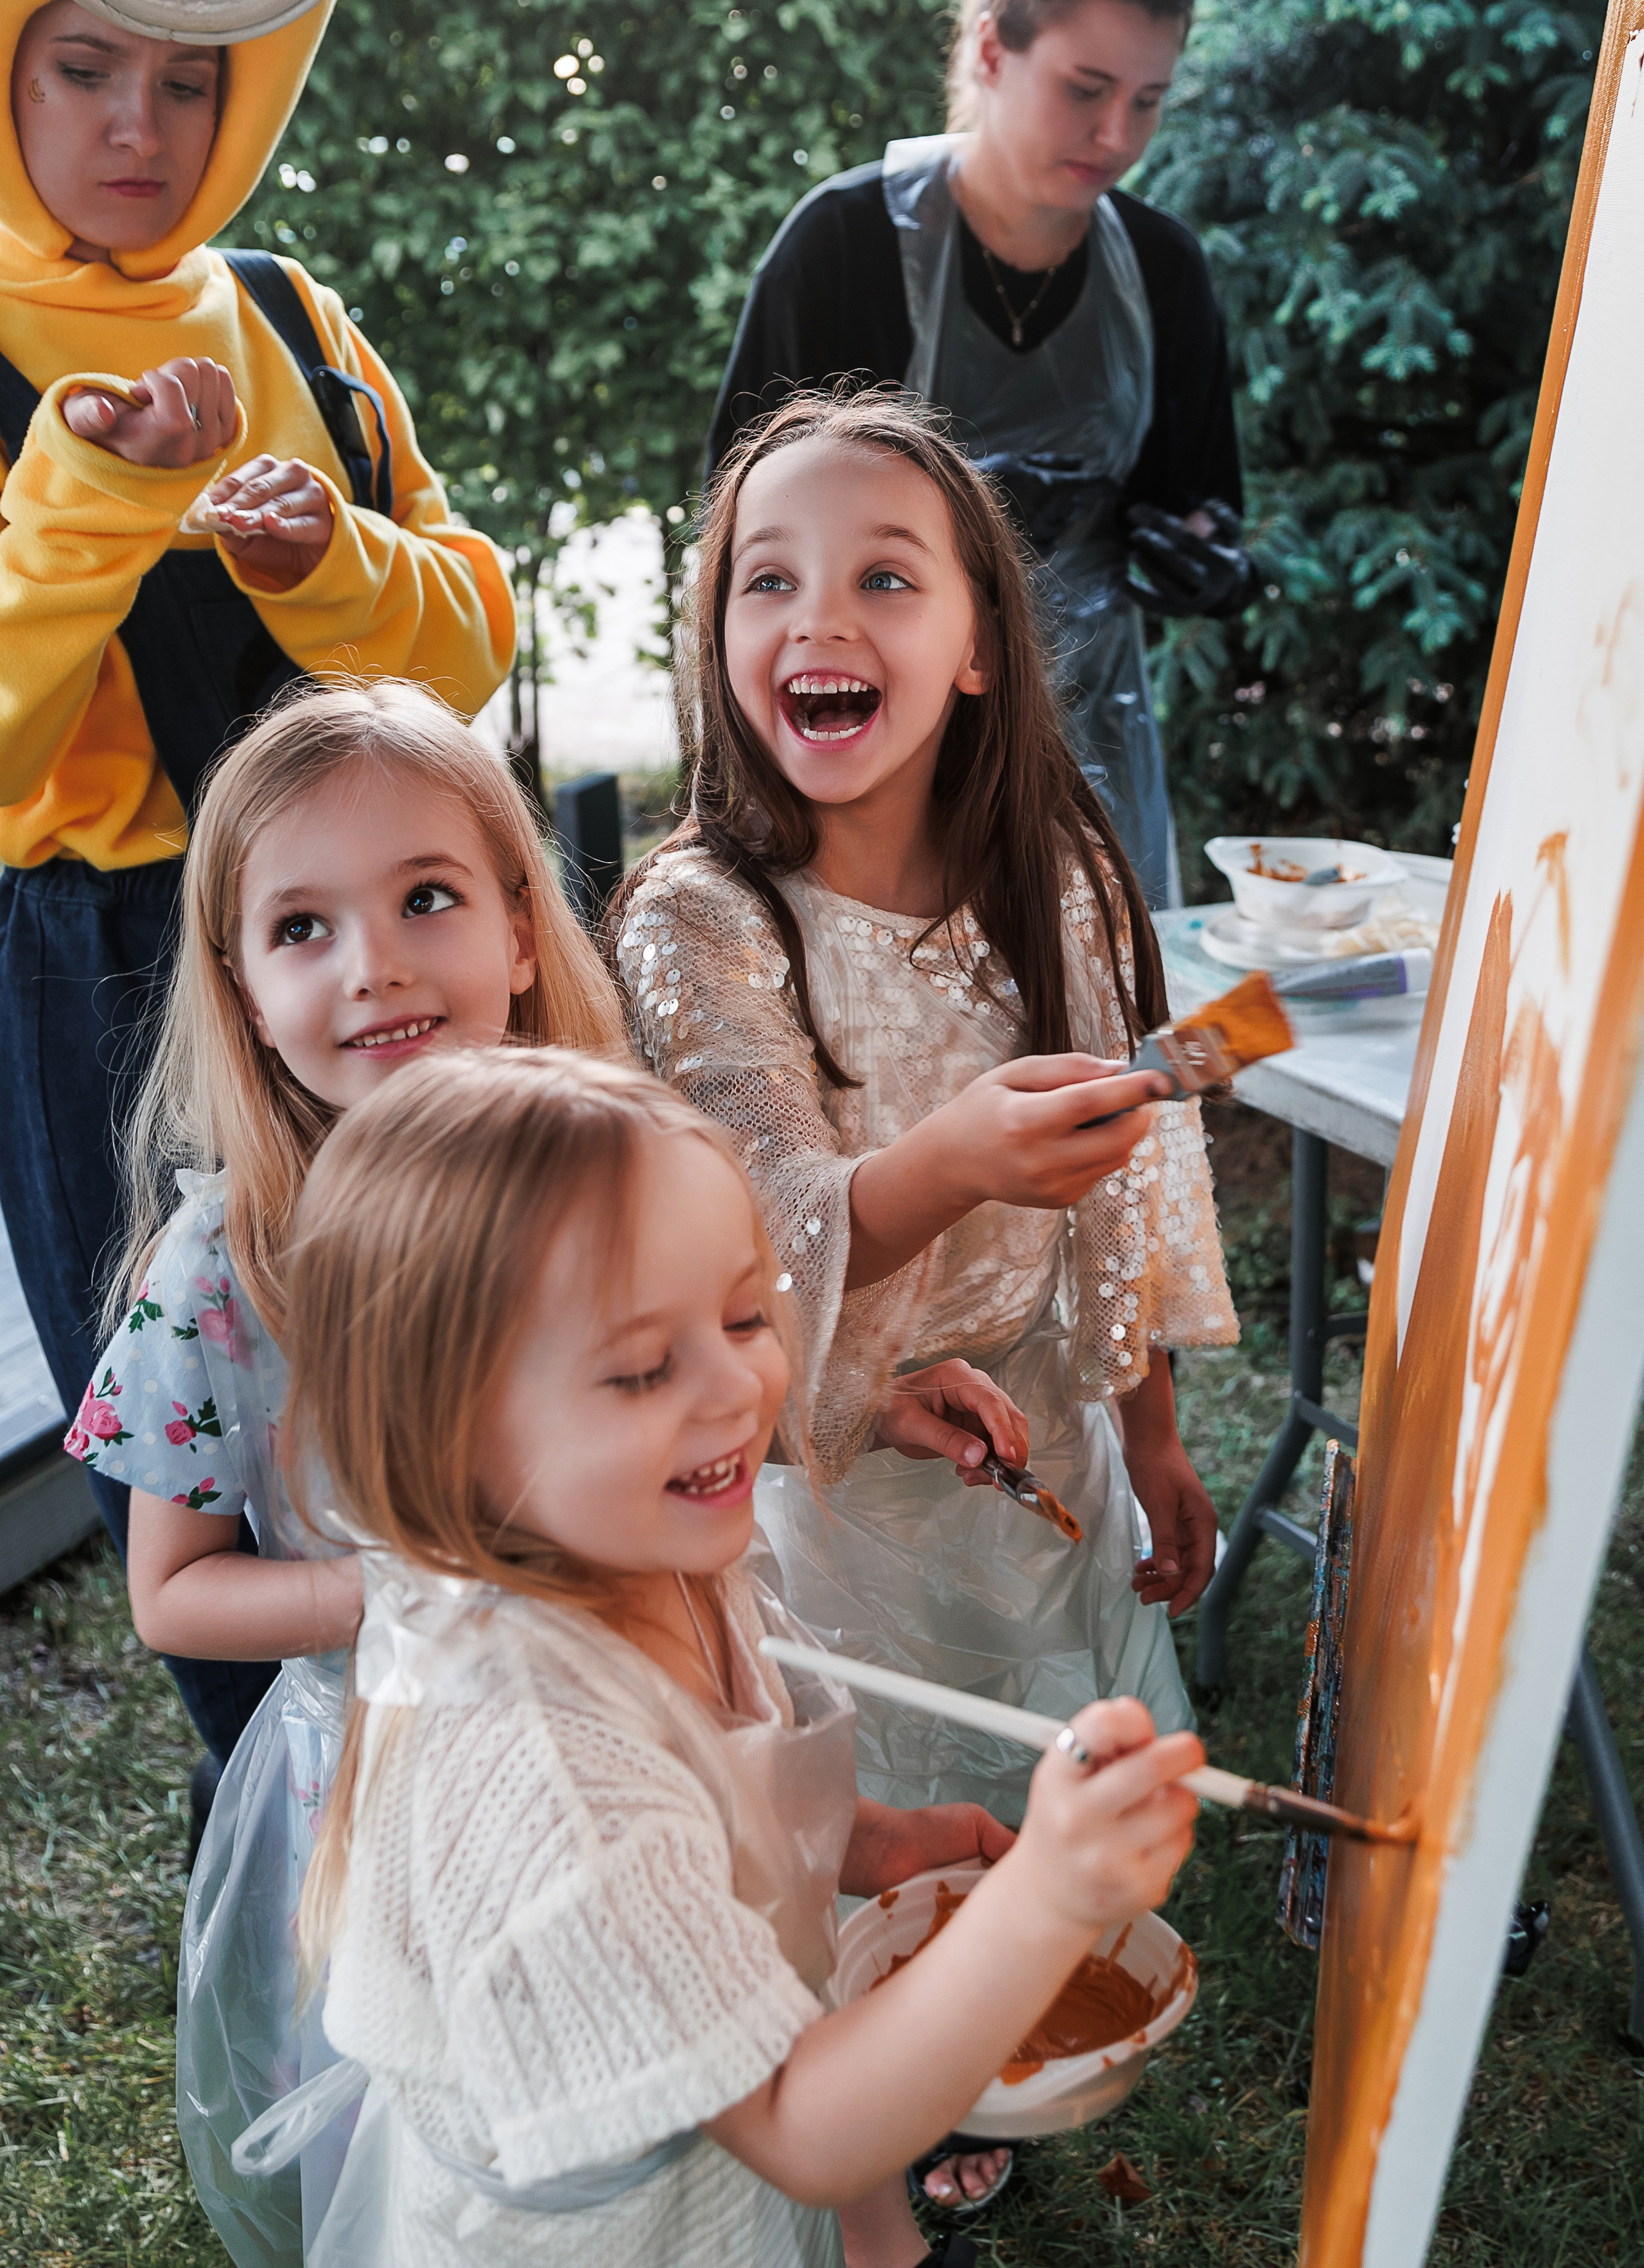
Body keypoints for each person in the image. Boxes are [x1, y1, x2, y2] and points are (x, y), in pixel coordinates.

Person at [229, 1045, 1202, 2268]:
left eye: (745, 1316)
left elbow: (720, 1781)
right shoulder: (549, 1783)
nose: (739, 1385)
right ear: (445, 1434)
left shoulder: (645, 1557)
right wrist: (1048, 1897)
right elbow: (802, 2130)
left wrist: (868, 1842)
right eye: (643, 1368)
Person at [616, 391, 1234, 2215]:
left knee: (1020, 1776)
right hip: (827, 1485)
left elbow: (1130, 1185)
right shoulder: (700, 919)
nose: (819, 617)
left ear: (978, 647)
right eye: (768, 580)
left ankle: (1007, 2034)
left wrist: (1149, 1432)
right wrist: (952, 1162)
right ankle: (892, 2101)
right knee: (872, 1814)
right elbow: (754, 1241)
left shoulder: (1064, 876)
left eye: (885, 578)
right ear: (716, 637)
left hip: (1038, 1459)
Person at [0, 0, 516, 1777]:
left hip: (379, 923)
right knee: (196, 1414)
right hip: (109, 964)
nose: (140, 125)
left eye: (190, 79)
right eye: (83, 69)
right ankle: (289, 1804)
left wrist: (331, 567)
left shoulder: (296, 316)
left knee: (448, 1336)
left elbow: (467, 640)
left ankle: (504, 1729)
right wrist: (96, 494)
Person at [62, 683, 624, 2268]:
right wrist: (408, 1589)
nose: (371, 965)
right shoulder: (221, 1271)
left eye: (425, 898)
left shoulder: (614, 1190)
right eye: (301, 928)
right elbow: (173, 1595)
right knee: (430, 2150)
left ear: (522, 931)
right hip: (380, 1793)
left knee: (625, 2094)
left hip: (615, 1731)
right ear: (242, 993)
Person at [707, 0, 1259, 909]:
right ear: (993, 51)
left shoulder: (1165, 270)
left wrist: (1203, 559)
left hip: (1092, 752)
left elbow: (1201, 499)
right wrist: (957, 513)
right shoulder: (843, 246)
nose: (1118, 137)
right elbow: (736, 533)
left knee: (1093, 991)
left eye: (1148, 101)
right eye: (1086, 91)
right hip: (864, 761)